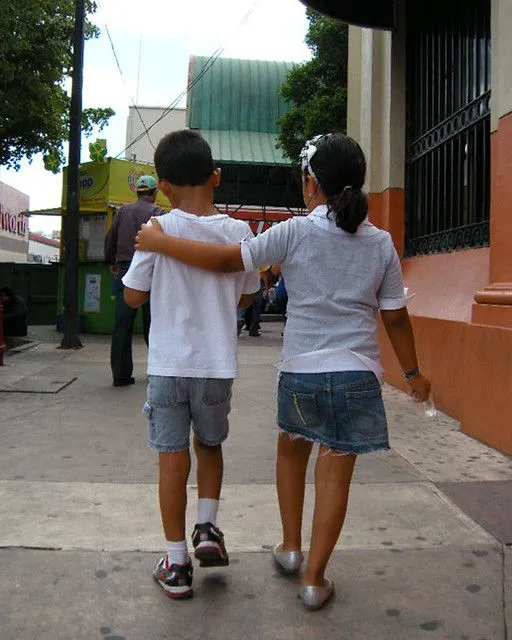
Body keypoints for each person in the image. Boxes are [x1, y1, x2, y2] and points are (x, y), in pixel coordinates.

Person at [134, 132, 431, 611]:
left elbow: (230, 260)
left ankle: (290, 547)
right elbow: (395, 315)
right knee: (335, 472)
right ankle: (314, 579)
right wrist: (413, 372)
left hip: (301, 372)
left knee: (291, 453)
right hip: (356, 375)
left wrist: (162, 243)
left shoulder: (295, 230)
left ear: (310, 184)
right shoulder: (381, 243)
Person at [123, 130, 259, 600]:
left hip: (167, 364)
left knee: (170, 460)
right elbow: (247, 294)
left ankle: (176, 564)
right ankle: (207, 528)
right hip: (216, 365)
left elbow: (133, 295)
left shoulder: (157, 231)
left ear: (162, 186)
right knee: (211, 446)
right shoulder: (239, 233)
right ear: (216, 177)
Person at [104, 174, 164, 386]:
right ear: (155, 192)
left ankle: (120, 375)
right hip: (153, 271)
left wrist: (112, 261)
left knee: (122, 324)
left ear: (136, 192)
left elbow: (110, 240)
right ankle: (158, 372)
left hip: (126, 270)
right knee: (154, 323)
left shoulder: (122, 211)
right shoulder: (158, 213)